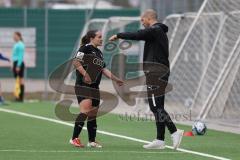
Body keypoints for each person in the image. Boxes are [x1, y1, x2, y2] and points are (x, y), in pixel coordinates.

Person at [109, 9, 184, 150]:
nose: (141, 23)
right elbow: (141, 34)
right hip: (156, 72)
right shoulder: (157, 32)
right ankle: (160, 140)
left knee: (156, 106)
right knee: (155, 106)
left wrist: (119, 35)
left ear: (149, 18)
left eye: (142, 20)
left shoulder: (155, 30)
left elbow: (137, 35)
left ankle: (174, 131)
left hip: (156, 73)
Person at [70, 30, 124, 148]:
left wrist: (116, 79)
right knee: (85, 111)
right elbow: (76, 61)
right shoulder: (85, 48)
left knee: (93, 114)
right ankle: (74, 138)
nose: (101, 39)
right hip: (83, 85)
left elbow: (103, 70)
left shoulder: (99, 53)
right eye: (99, 37)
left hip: (95, 87)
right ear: (91, 38)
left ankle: (92, 141)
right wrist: (85, 74)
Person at [12, 32, 25, 102]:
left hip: (19, 63)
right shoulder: (16, 44)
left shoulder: (21, 45)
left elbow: (20, 56)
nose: (14, 37)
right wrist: (12, 65)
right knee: (17, 80)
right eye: (13, 36)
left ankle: (21, 97)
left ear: (19, 36)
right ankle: (17, 96)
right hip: (15, 62)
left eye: (15, 36)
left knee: (20, 80)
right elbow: (14, 56)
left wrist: (18, 65)